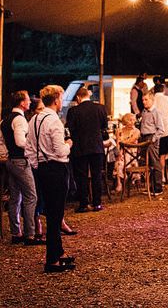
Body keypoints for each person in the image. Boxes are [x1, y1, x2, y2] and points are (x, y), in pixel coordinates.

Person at [25, 85, 75, 273]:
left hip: (42, 169)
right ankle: (52, 259)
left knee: (52, 212)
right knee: (56, 215)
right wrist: (69, 144)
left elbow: (29, 149)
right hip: (56, 168)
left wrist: (38, 166)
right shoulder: (54, 122)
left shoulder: (34, 120)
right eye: (61, 98)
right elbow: (60, 151)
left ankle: (58, 251)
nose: (62, 102)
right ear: (56, 100)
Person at [1, 90, 40, 244]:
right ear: (22, 103)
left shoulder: (5, 119)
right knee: (31, 196)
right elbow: (20, 142)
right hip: (21, 161)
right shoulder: (20, 120)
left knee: (15, 198)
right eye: (28, 100)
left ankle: (16, 233)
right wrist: (33, 146)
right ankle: (30, 234)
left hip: (11, 160)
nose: (30, 102)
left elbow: (3, 142)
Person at [66, 87, 108, 213]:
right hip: (96, 146)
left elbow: (70, 129)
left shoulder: (73, 111)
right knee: (96, 175)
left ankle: (84, 204)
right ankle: (97, 203)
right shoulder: (100, 108)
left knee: (81, 176)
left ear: (78, 97)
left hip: (80, 147)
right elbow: (104, 127)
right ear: (88, 95)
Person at [139, 92, 165, 196]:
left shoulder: (156, 112)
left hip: (151, 138)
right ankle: (151, 187)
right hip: (144, 137)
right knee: (148, 163)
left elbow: (161, 129)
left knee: (154, 162)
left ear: (152, 100)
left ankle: (158, 187)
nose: (144, 102)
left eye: (146, 100)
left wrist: (153, 139)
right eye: (143, 100)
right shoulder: (144, 111)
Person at [114, 113, 141, 192]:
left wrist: (123, 143)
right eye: (130, 120)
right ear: (125, 121)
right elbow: (118, 143)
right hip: (122, 152)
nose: (132, 122)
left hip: (133, 154)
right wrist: (119, 152)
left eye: (133, 120)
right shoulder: (119, 130)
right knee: (119, 161)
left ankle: (126, 178)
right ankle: (119, 183)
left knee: (123, 159)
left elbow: (131, 141)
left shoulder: (136, 131)